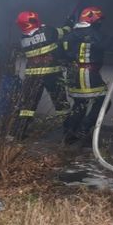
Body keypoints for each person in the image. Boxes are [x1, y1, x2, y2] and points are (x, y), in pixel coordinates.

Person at [60, 6, 113, 145]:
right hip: (87, 74)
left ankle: (69, 133)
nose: (100, 24)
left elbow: (60, 53)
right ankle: (83, 129)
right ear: (93, 20)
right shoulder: (92, 33)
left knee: (80, 103)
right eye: (99, 21)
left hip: (72, 74)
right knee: (104, 101)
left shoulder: (70, 35)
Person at [12, 10, 71, 139]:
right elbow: (63, 32)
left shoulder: (23, 38)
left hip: (32, 76)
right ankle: (69, 135)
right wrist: (69, 23)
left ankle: (18, 133)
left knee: (27, 105)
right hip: (52, 74)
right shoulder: (48, 31)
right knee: (61, 105)